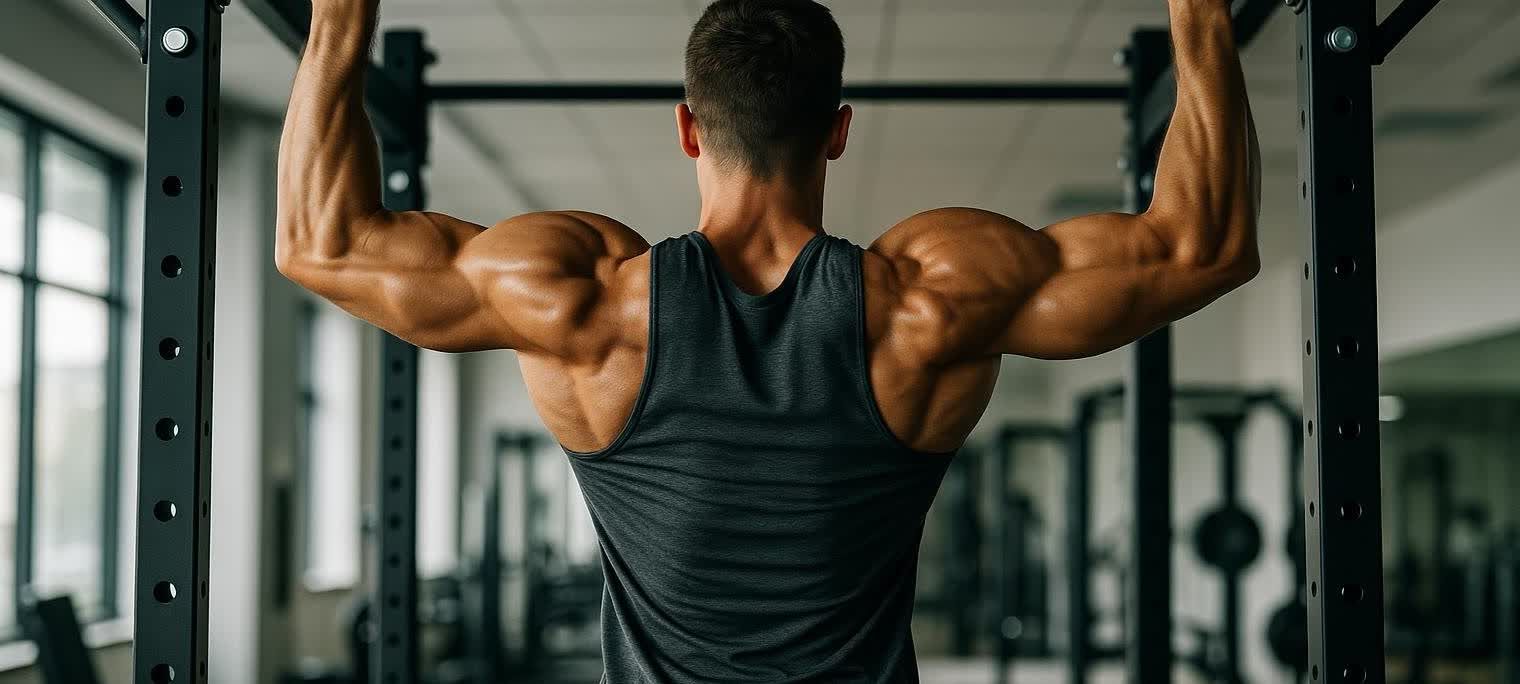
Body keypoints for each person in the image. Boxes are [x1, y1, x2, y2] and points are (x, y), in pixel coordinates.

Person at [276, 0, 1260, 680]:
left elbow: (321, 244)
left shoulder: (581, 309)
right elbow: (1201, 245)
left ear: (686, 129)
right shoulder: (929, 308)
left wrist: (337, 22)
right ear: (835, 130)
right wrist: (1200, 22)